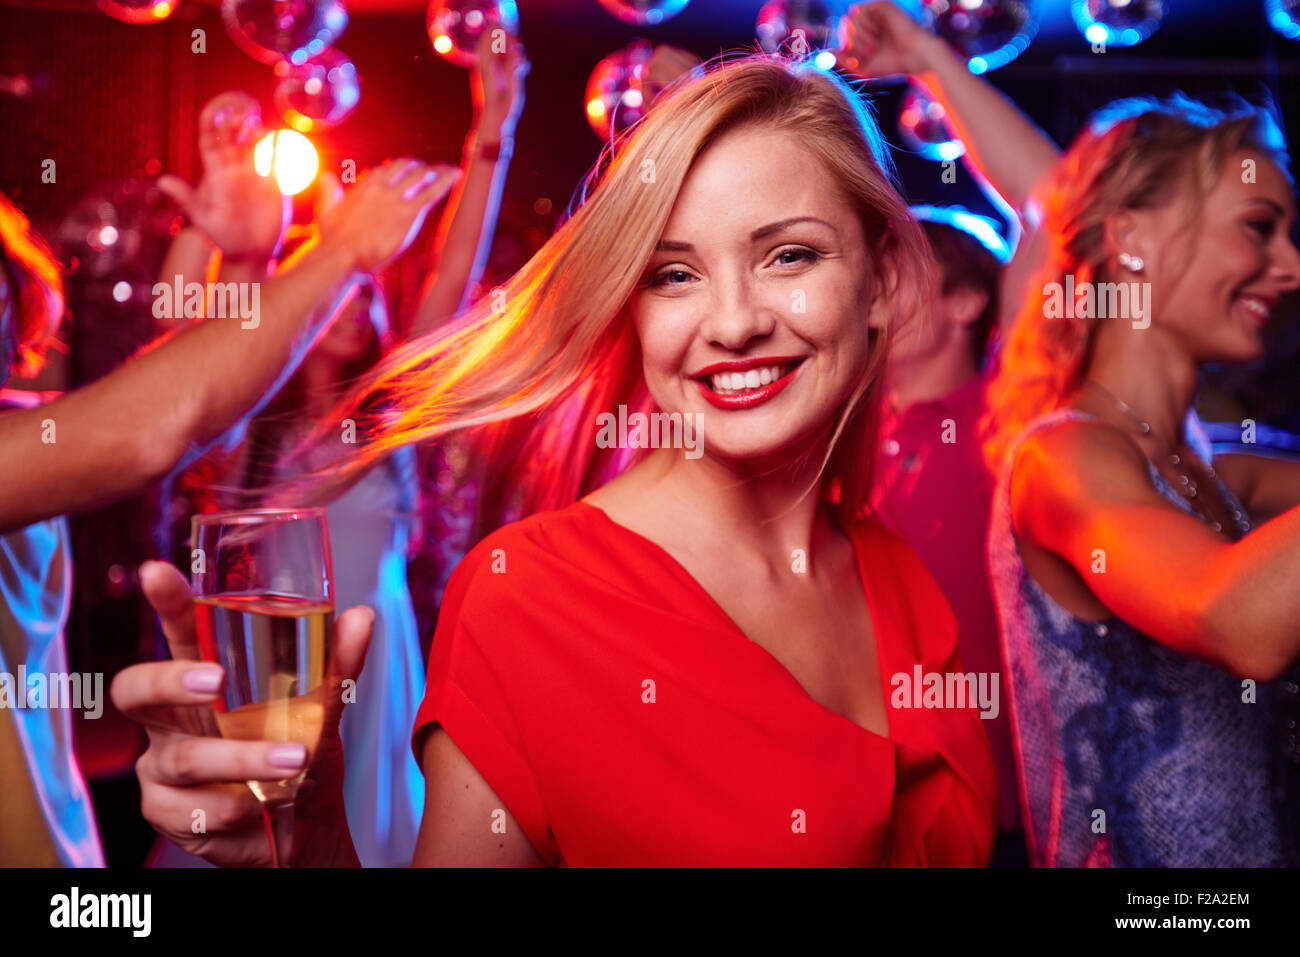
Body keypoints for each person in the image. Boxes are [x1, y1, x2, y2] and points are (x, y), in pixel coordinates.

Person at [113, 52, 999, 867]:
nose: (733, 323)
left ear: (882, 281)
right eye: (673, 273)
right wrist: (307, 848)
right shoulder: (530, 601)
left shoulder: (899, 578)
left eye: (789, 255)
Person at [0, 156, 455, 866]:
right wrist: (337, 249)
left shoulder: (25, 425)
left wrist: (245, 263)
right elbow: (158, 420)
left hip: (58, 843)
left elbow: (170, 390)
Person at [152, 36, 526, 869]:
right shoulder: (252, 431)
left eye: (365, 288)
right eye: (331, 285)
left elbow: (453, 274)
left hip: (380, 650)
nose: (351, 300)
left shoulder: (392, 411)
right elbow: (184, 354)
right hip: (273, 655)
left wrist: (490, 134)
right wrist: (229, 249)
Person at [982, 92, 1300, 866]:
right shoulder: (1060, 459)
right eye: (1259, 227)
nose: (1291, 266)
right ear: (1130, 238)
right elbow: (1235, 618)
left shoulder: (1213, 467)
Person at [839, 0, 1063, 865]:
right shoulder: (838, 425)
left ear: (969, 302)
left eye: (903, 274)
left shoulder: (1011, 410)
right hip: (859, 810)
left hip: (993, 816)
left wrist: (930, 58)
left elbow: (1057, 208)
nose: (872, 292)